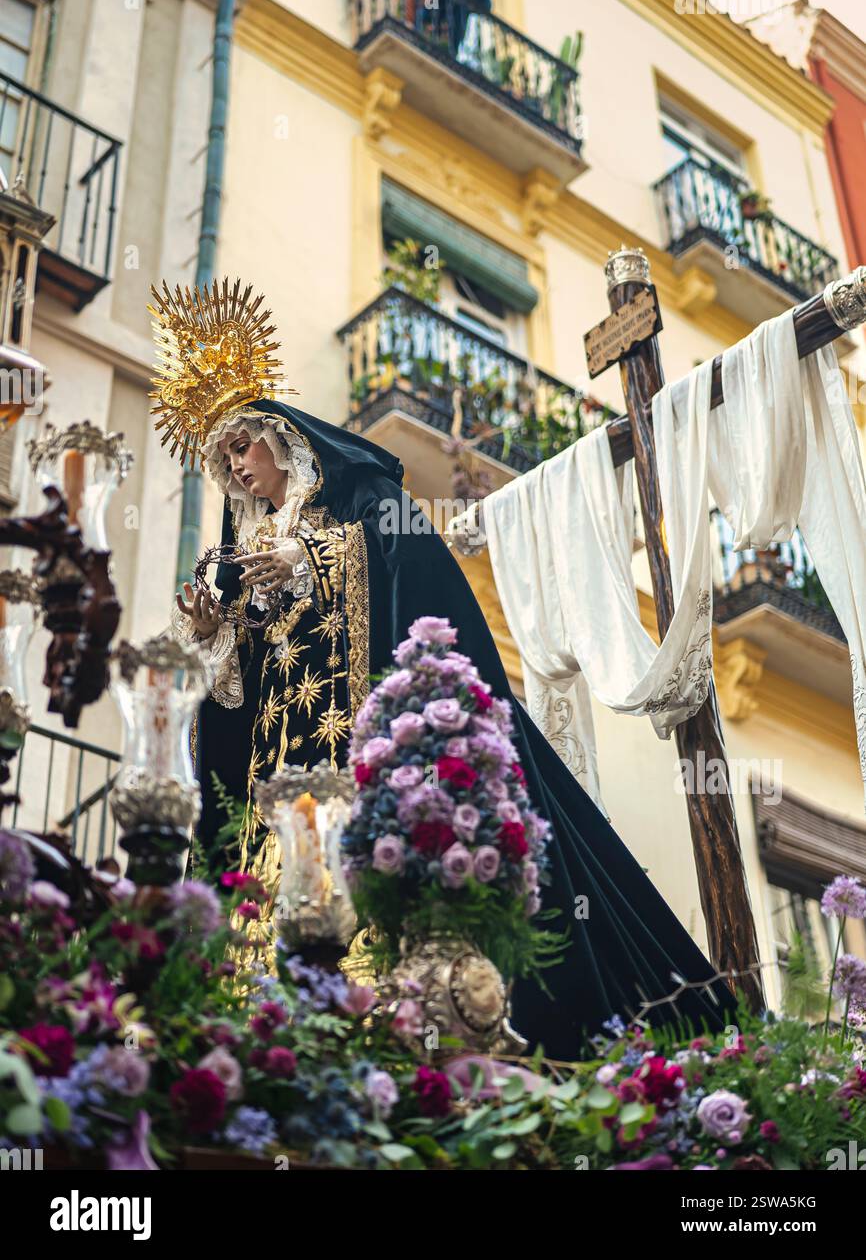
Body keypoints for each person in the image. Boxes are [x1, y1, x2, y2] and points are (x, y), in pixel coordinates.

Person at [152, 281, 733, 1059]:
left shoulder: (359, 505)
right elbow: (235, 709)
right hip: (279, 802)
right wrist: (216, 636)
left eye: (241, 445)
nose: (236, 466)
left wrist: (317, 555)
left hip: (356, 774)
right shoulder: (240, 570)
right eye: (223, 458)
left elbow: (411, 571)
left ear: (281, 439)